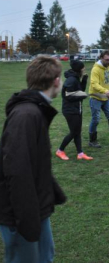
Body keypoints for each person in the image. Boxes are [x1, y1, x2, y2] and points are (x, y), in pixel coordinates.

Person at [0, 56, 67, 263]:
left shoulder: (35, 110)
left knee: (46, 257)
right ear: (56, 81)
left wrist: (52, 190)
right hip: (22, 215)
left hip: (36, 209)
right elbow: (17, 170)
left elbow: (35, 163)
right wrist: (27, 224)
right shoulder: (26, 115)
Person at [56, 60, 93, 161]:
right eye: (83, 68)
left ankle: (80, 153)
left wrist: (84, 80)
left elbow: (80, 91)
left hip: (76, 108)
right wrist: (82, 95)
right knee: (74, 132)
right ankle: (60, 150)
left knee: (77, 131)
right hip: (70, 110)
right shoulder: (71, 80)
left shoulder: (75, 78)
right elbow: (68, 95)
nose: (84, 69)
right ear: (79, 69)